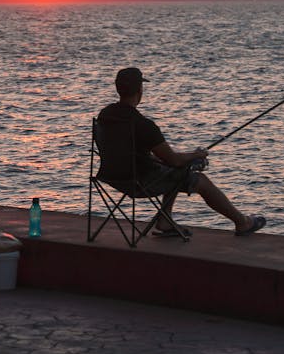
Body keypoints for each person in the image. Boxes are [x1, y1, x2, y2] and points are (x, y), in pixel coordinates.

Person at [96, 66, 266, 238]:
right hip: (140, 181)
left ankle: (165, 220)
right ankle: (242, 223)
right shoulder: (143, 125)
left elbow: (128, 151)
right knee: (197, 177)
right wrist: (196, 154)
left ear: (118, 88)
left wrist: (164, 160)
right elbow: (174, 160)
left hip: (113, 177)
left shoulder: (105, 115)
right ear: (140, 90)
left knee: (171, 169)